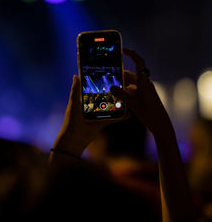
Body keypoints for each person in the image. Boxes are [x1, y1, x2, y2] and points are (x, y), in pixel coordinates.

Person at [49, 48, 195, 222]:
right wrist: (163, 132)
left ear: (101, 141)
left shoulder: (95, 198)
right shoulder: (179, 193)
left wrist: (68, 145)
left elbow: (46, 208)